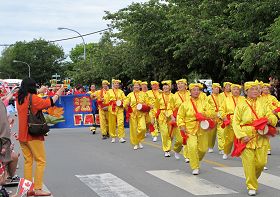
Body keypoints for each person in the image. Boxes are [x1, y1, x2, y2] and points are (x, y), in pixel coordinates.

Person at [16, 78, 64, 196]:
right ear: (33, 87)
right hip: (33, 135)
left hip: (22, 135)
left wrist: (40, 91)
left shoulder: (19, 97)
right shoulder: (34, 99)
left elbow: (30, 97)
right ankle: (37, 188)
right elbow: (49, 102)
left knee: (28, 162)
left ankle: (28, 189)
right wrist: (59, 92)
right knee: (41, 161)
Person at [232, 81, 277, 196]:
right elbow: (235, 122)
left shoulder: (264, 103)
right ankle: (251, 186)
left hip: (261, 136)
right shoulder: (241, 104)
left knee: (261, 163)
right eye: (252, 89)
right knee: (249, 163)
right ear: (246, 91)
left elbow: (272, 116)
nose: (255, 91)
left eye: (257, 89)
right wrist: (242, 136)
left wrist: (269, 120)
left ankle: (252, 179)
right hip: (247, 137)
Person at [177, 83, 215, 175]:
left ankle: (196, 160)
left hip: (203, 128)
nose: (196, 92)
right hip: (189, 129)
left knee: (203, 149)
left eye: (198, 90)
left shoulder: (204, 102)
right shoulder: (185, 104)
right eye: (194, 90)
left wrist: (204, 114)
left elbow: (212, 112)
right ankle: (195, 167)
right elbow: (180, 116)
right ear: (190, 92)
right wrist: (182, 125)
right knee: (192, 147)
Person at [220, 84, 244, 160]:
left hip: (241, 121)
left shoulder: (243, 99)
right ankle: (226, 152)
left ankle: (240, 152)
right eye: (234, 89)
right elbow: (221, 110)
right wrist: (224, 117)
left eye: (237, 89)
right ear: (231, 90)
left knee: (240, 138)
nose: (236, 91)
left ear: (240, 91)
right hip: (230, 120)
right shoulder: (227, 99)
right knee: (229, 139)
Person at [124, 80, 148, 150]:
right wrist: (126, 105)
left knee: (143, 128)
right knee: (134, 129)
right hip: (133, 114)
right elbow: (125, 103)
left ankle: (139, 140)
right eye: (135, 86)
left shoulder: (144, 94)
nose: (136, 87)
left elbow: (147, 103)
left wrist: (145, 105)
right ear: (133, 87)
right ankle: (135, 143)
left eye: (137, 85)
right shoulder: (130, 95)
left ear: (140, 87)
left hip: (141, 113)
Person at [170, 79, 189, 161]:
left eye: (182, 84)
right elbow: (169, 108)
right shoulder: (174, 96)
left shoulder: (190, 94)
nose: (180, 85)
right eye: (178, 84)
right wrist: (172, 117)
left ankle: (187, 156)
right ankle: (177, 149)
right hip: (178, 118)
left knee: (188, 137)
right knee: (180, 139)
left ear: (186, 85)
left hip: (189, 118)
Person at [155, 80, 174, 157]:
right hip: (162, 116)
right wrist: (154, 116)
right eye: (164, 86)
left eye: (167, 85)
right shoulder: (159, 96)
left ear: (170, 87)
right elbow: (156, 107)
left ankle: (168, 145)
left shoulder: (173, 96)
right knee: (164, 133)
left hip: (171, 116)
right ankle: (166, 149)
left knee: (171, 134)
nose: (165, 87)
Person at [207, 83, 224, 154]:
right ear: (212, 89)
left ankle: (221, 148)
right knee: (212, 134)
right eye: (215, 88)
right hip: (212, 117)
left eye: (218, 88)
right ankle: (210, 146)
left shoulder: (222, 97)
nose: (217, 89)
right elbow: (206, 107)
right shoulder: (209, 97)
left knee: (221, 133)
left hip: (220, 117)